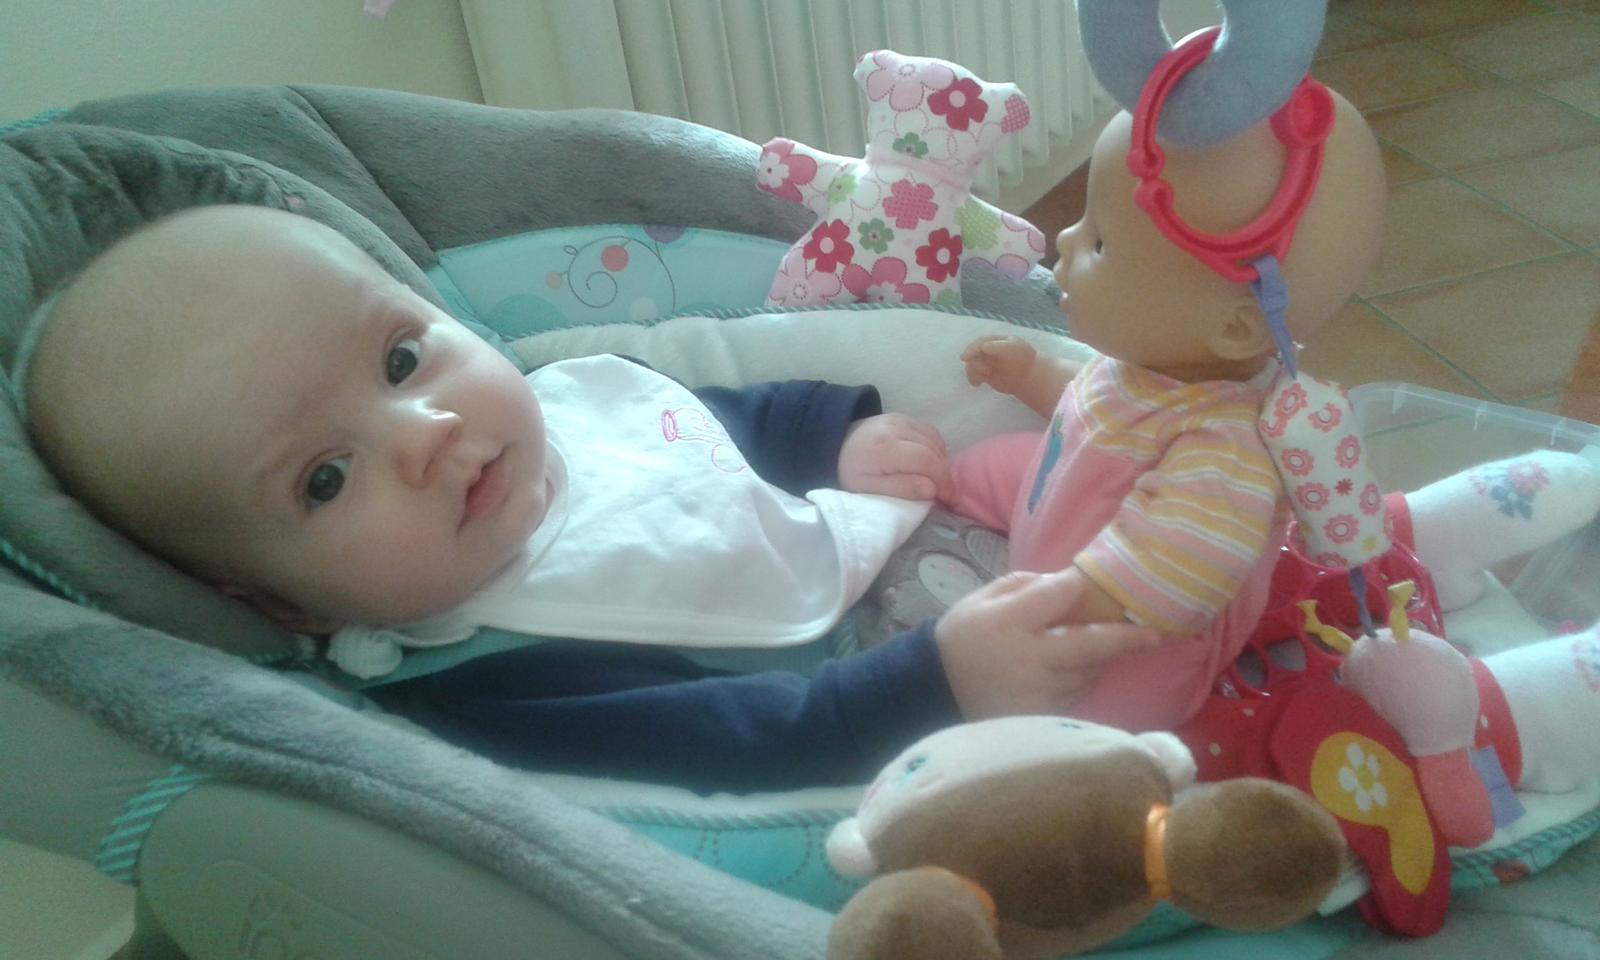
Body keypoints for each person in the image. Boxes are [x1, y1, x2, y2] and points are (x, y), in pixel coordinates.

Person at [22, 203, 1161, 793]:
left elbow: (708, 424)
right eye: (326, 477)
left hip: (931, 561)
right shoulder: (490, 677)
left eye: (403, 359)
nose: (426, 433)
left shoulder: (572, 403)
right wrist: (935, 683)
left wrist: (830, 435)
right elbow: (738, 745)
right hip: (893, 718)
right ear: (289, 606)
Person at [938, 84, 1391, 732]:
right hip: (1067, 504)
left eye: (1100, 243)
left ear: (1234, 329)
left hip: (1118, 667)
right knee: (991, 461)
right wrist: (1032, 374)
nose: (1065, 239)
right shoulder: (1146, 361)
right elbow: (1090, 405)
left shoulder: (1225, 451)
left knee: (1087, 726)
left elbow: (1172, 570)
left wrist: (1052, 607)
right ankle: (943, 481)